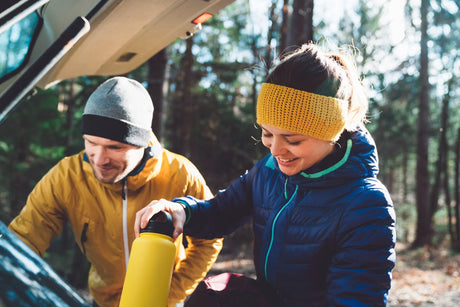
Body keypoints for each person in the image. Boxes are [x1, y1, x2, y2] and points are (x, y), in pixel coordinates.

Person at [135, 43, 396, 306]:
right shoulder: (269, 171)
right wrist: (181, 211)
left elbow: (356, 299)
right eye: (267, 134)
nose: (276, 150)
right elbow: (220, 212)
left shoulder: (365, 204)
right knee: (218, 295)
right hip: (270, 298)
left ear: (332, 131)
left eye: (292, 139)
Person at [9, 76, 223, 307]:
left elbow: (209, 240)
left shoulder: (180, 173)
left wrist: (169, 295)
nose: (99, 159)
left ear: (141, 144)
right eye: (91, 142)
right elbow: (23, 240)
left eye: (115, 147)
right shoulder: (66, 177)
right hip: (102, 302)